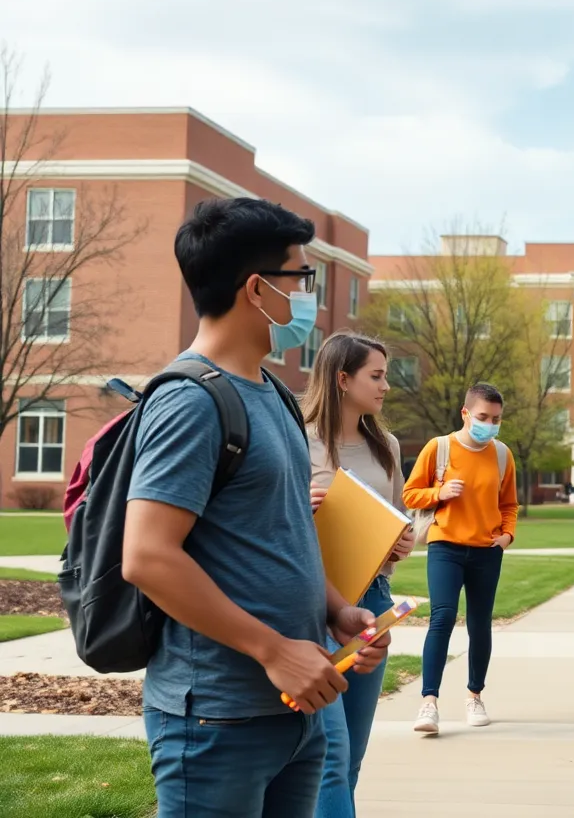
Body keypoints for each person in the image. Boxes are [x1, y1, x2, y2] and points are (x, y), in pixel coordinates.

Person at [122, 198, 388, 816]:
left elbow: (285, 531)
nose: (308, 297)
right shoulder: (190, 401)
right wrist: (274, 650)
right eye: (302, 277)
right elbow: (147, 556)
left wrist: (337, 613)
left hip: (295, 710)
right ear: (257, 289)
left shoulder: (274, 394)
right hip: (217, 720)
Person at [304, 332, 416, 817]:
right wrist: (300, 506)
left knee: (351, 757)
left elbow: (400, 520)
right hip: (314, 605)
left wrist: (403, 540)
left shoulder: (385, 445)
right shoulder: (297, 439)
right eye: (377, 375)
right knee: (329, 754)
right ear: (343, 379)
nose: (386, 386)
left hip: (373, 602)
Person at [404, 383, 519, 735]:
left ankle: (474, 696)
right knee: (442, 617)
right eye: (484, 416)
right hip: (445, 547)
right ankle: (429, 702)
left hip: (487, 551)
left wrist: (507, 536)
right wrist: (440, 492)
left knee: (480, 624)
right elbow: (410, 494)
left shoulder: (502, 455)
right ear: (465, 414)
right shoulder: (438, 448)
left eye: (496, 419)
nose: (490, 424)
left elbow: (509, 505)